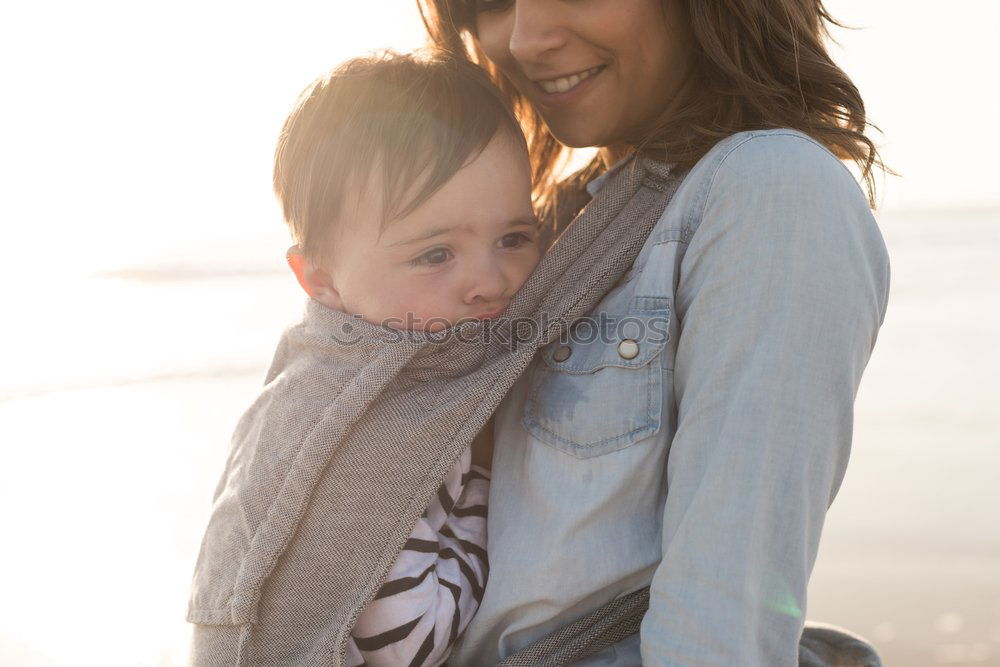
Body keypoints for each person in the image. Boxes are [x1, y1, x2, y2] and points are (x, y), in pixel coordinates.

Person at [417, 0, 892, 664]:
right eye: (490, 2)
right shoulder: (541, 235)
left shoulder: (772, 192)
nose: (525, 39)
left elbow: (719, 635)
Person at [186, 52, 541, 667]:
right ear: (320, 278)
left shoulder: (392, 359)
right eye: (435, 255)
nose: (491, 281)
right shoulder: (365, 422)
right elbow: (409, 642)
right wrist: (487, 467)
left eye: (513, 238)